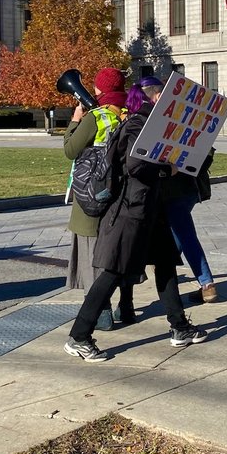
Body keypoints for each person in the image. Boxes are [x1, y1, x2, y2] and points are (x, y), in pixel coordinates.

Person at [64, 76, 206, 362]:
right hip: (130, 211)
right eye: (163, 99)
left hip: (148, 209)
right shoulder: (137, 125)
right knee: (113, 272)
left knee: (165, 263)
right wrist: (169, 170)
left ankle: (179, 327)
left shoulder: (148, 124)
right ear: (154, 99)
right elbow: (136, 165)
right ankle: (79, 336)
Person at [62, 67, 134, 329]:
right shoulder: (130, 114)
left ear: (101, 89)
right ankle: (126, 305)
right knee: (119, 252)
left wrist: (75, 120)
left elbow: (71, 150)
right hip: (121, 194)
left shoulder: (96, 117)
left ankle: (100, 312)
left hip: (93, 192)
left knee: (91, 253)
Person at [161, 146, 218, 304]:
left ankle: (207, 284)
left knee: (185, 236)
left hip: (173, 190)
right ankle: (167, 271)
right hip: (190, 189)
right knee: (178, 235)